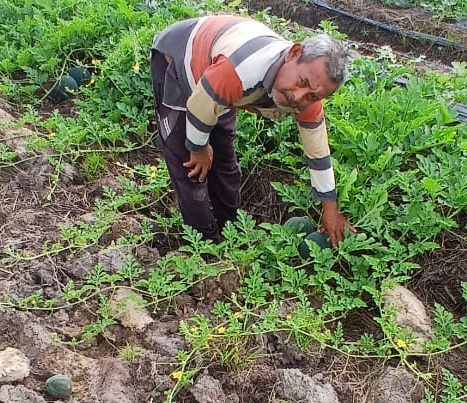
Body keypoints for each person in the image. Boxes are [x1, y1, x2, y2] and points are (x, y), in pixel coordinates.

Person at [150, 14, 356, 245]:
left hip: (218, 81)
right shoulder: (239, 71)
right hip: (179, 61)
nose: (299, 97)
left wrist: (330, 209)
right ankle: (206, 246)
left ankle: (232, 230)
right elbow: (199, 106)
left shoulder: (307, 93)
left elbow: (318, 150)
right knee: (190, 169)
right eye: (301, 82)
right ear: (294, 53)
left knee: (224, 164)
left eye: (313, 96)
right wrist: (198, 148)